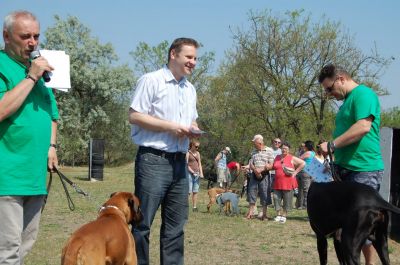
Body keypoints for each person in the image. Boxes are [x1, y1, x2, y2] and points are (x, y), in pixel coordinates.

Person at [128, 37, 201, 265]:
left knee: (176, 226)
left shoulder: (190, 89)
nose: (193, 62)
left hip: (180, 163)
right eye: (189, 57)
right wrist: (172, 127)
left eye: (195, 58)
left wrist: (193, 130)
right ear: (173, 54)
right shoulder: (151, 80)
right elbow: (134, 115)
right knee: (142, 223)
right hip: (153, 161)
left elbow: (192, 121)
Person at [0, 10, 59, 264]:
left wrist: (52, 146)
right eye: (25, 36)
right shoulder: (10, 68)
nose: (32, 42)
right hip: (7, 177)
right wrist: (31, 77)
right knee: (7, 251)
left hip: (34, 177)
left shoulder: (39, 71)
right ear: (6, 36)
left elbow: (52, 114)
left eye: (36, 36)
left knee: (23, 248)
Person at [318, 63, 384, 265]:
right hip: (344, 171)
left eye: (330, 89)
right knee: (345, 230)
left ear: (340, 79)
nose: (329, 94)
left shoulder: (364, 94)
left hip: (364, 171)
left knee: (361, 230)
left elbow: (363, 127)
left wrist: (332, 144)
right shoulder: (346, 103)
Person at [266, 141, 305, 223]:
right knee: (276, 198)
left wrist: (295, 173)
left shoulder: (292, 157)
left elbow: (303, 163)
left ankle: (284, 215)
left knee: (287, 199)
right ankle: (278, 214)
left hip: (288, 182)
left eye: (286, 149)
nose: (284, 150)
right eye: (283, 148)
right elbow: (274, 166)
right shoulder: (277, 157)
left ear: (289, 150)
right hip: (277, 182)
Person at [246, 134, 274, 220]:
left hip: (265, 175)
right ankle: (250, 214)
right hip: (254, 174)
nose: (254, 144)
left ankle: (264, 215)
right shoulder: (253, 151)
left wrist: (261, 170)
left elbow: (271, 165)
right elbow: (251, 163)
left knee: (264, 193)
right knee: (251, 193)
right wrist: (255, 170)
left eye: (255, 143)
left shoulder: (269, 150)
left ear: (260, 143)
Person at [296, 140, 315, 209]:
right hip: (312, 172)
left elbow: (298, 159)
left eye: (304, 146)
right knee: (308, 189)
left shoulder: (307, 153)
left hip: (305, 172)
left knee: (304, 189)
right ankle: (301, 204)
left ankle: (305, 205)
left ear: (307, 146)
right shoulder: (314, 153)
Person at [186, 139, 204, 212]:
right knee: (189, 191)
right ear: (192, 145)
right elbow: (186, 164)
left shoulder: (198, 153)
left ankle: (194, 207)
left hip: (197, 174)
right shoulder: (188, 153)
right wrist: (192, 172)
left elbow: (199, 164)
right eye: (196, 146)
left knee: (195, 191)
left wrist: (201, 173)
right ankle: (185, 206)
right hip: (190, 173)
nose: (197, 148)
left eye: (198, 147)